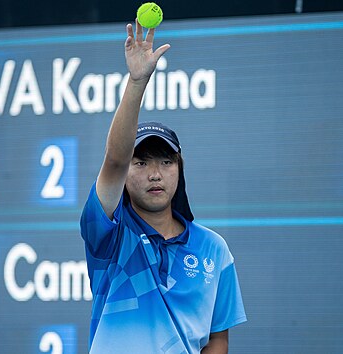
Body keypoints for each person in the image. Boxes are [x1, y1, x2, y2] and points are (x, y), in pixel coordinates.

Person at [80, 19, 246, 354]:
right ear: (126, 174)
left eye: (166, 162)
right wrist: (137, 81)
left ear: (179, 170)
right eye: (140, 163)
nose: (155, 174)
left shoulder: (214, 250)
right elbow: (114, 159)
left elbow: (217, 339)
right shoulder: (110, 236)